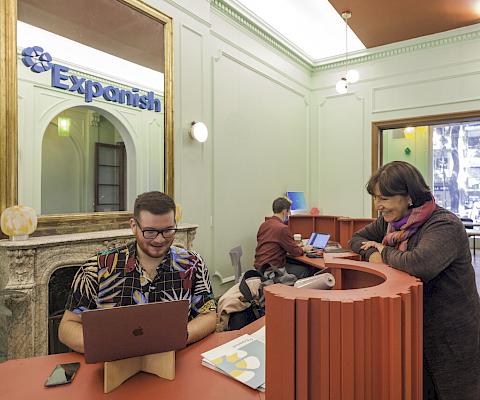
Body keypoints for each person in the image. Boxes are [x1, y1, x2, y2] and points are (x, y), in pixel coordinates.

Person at [349, 161, 480, 400]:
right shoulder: (391, 223)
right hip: (418, 328)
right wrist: (373, 253)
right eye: (376, 198)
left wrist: (383, 250)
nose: (378, 206)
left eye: (384, 199)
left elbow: (419, 264)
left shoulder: (443, 224)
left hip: (452, 333)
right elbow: (357, 239)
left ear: (408, 196)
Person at [58, 191, 217, 353]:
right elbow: (67, 327)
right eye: (150, 232)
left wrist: (178, 337)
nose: (159, 239)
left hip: (175, 362)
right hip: (114, 366)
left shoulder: (192, 263)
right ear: (134, 226)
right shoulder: (98, 267)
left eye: (168, 230)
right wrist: (108, 346)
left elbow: (208, 315)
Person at [254, 197, 315, 279]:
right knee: (307, 270)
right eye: (289, 211)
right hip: (273, 270)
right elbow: (296, 252)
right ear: (285, 211)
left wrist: (294, 246)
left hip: (260, 267)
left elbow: (273, 244)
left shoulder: (264, 225)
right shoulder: (282, 228)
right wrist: (304, 248)